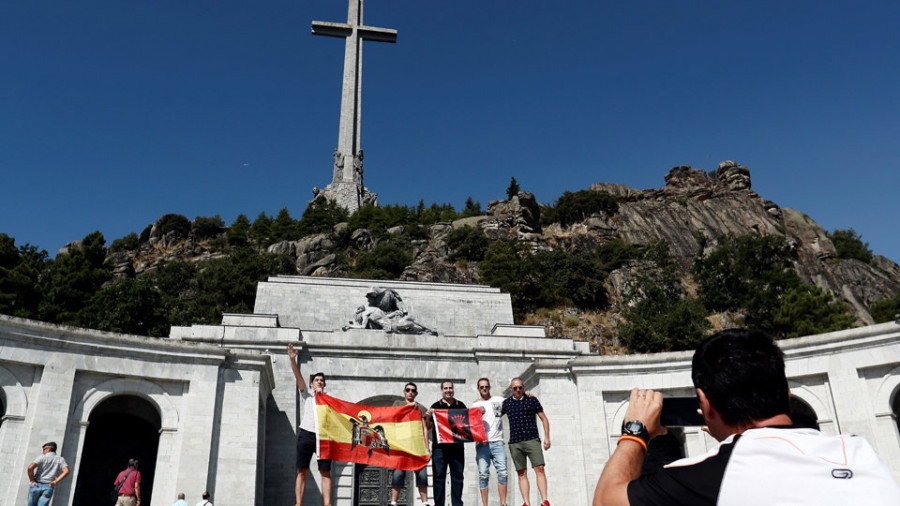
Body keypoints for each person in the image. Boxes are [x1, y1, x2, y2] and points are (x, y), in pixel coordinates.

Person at [593, 328, 900, 506]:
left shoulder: (703, 475)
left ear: (705, 404)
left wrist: (634, 432)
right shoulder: (860, 453)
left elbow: (607, 500)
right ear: (787, 393)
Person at [288, 343, 332, 506]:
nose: (319, 382)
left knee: (325, 471)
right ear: (312, 384)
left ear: (324, 384)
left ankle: (327, 504)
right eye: (316, 380)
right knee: (302, 471)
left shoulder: (331, 399)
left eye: (322, 380)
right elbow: (298, 376)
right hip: (306, 434)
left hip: (324, 437)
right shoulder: (307, 395)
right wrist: (293, 360)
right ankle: (298, 503)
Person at [502, 378, 550, 506]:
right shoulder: (506, 403)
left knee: (539, 468)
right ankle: (526, 503)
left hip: (532, 439)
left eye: (520, 387)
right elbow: (492, 414)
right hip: (515, 442)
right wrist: (480, 403)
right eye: (515, 388)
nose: (518, 390)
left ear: (524, 388)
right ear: (511, 389)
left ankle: (545, 501)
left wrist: (547, 438)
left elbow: (543, 418)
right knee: (521, 472)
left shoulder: (532, 400)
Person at [425, 380, 467, 506]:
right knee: (438, 478)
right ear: (441, 390)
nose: (448, 390)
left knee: (458, 477)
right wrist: (427, 417)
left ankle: (457, 504)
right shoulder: (435, 406)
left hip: (457, 448)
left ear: (453, 389)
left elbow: (467, 425)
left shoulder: (461, 406)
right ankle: (439, 504)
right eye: (445, 388)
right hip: (440, 449)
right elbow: (428, 427)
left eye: (450, 388)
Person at [390, 382, 431, 506]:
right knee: (398, 474)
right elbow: (392, 415)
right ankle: (393, 502)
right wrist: (409, 406)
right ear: (404, 392)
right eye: (408, 390)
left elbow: (425, 428)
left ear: (416, 393)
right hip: (401, 446)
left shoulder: (420, 408)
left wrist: (427, 448)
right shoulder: (397, 403)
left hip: (417, 446)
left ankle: (424, 503)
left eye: (413, 390)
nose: (410, 392)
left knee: (422, 475)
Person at [472, 378, 509, 506]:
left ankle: (503, 504)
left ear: (489, 387)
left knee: (503, 473)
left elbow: (514, 401)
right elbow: (469, 424)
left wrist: (526, 394)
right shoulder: (475, 405)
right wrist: (477, 412)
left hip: (498, 442)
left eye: (486, 386)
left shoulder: (499, 400)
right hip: (482, 444)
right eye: (481, 387)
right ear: (478, 389)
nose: (484, 389)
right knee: (483, 475)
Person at [25, 441, 70, 506]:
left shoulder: (42, 457)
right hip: (48, 486)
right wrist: (55, 482)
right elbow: (66, 471)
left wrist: (32, 481)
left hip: (36, 484)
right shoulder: (60, 459)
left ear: (49, 449)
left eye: (44, 449)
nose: (43, 452)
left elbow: (30, 468)